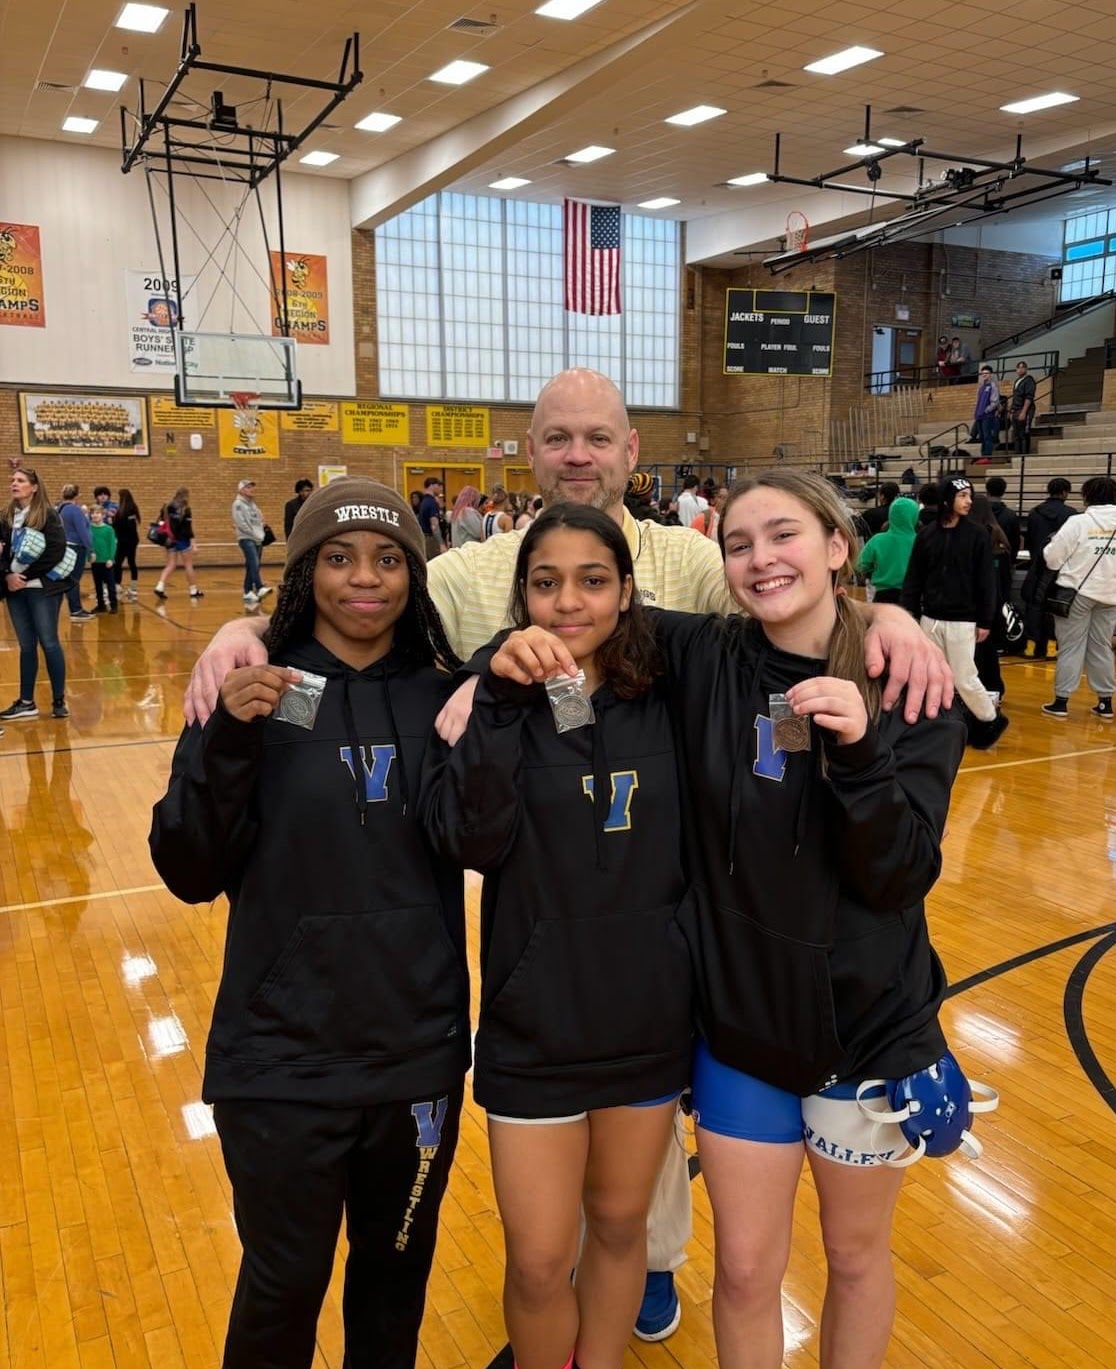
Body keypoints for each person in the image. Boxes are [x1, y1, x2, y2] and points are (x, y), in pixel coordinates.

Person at [177, 366, 953, 1344]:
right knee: (370, 1268)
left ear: (632, 452)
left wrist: (883, 618)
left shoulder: (697, 563)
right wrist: (249, 628)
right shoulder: (467, 572)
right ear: (530, 452)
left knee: (651, 1230)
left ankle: (638, 1289)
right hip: (517, 1002)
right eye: (558, 438)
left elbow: (787, 607)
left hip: (674, 995)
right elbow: (363, 594)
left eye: (599, 436)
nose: (579, 454)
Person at [485, 470, 972, 1369]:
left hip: (864, 1031)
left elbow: (902, 874)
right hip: (743, 1031)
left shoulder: (905, 685)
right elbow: (570, 618)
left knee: (856, 1256)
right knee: (746, 1270)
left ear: (835, 547)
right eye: (739, 543)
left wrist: (865, 734)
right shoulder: (705, 654)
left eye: (783, 535)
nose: (760, 558)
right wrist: (481, 675)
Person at [149, 478, 469, 1369]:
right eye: (337, 558)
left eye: (387, 559)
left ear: (414, 574)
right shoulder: (248, 685)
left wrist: (493, 701)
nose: (363, 579)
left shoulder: (443, 697)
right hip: (279, 1059)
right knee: (282, 1288)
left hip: (415, 1056)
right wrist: (228, 745)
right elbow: (186, 868)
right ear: (303, 572)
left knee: (392, 1289)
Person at [421, 503, 692, 1369]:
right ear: (521, 595)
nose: (567, 601)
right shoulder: (494, 693)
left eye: (591, 579)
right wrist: (497, 697)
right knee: (540, 1260)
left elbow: (788, 630)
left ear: (625, 591)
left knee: (618, 1228)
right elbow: (470, 839)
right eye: (545, 582)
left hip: (646, 1021)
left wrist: (883, 619)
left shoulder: (674, 684)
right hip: (533, 1021)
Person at [903, 477, 1009, 748]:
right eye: (963, 496)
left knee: (964, 677)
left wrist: (986, 619)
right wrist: (909, 613)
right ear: (948, 500)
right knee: (930, 674)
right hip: (931, 618)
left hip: (964, 620)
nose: (969, 501)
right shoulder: (927, 535)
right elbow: (914, 577)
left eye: (970, 496)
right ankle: (938, 724)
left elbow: (987, 581)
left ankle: (990, 719)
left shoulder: (977, 535)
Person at [1040, 475, 1116, 721]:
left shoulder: (1078, 522)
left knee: (1071, 646)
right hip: (1112, 594)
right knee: (1101, 647)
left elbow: (1053, 559)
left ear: (1087, 496)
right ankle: (1105, 702)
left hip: (1078, 593)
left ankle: (1061, 701)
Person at [1, 466, 72, 722]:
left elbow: (56, 551)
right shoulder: (6, 516)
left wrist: (25, 577)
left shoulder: (48, 515)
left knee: (49, 642)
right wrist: (7, 576)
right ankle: (26, 702)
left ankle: (58, 700)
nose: (14, 484)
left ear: (34, 487)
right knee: (26, 646)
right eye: (12, 480)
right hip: (14, 591)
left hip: (42, 591)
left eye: (20, 480)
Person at [967, 494, 1013, 702]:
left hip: (975, 603)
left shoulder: (974, 537)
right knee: (989, 649)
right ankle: (995, 688)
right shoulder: (999, 537)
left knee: (974, 651)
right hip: (996, 601)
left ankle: (978, 691)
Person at [1022, 478, 1075, 658]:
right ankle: (1052, 647)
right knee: (1055, 608)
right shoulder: (1072, 515)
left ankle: (1031, 646)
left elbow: (1028, 540)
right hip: (1061, 568)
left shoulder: (1035, 513)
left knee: (1034, 605)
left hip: (1037, 566)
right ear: (1065, 493)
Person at [857, 495, 918, 605]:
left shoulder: (878, 540)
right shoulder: (920, 540)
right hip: (911, 595)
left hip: (883, 594)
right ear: (915, 515)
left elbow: (861, 565)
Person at [153, 486, 203, 601]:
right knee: (188, 565)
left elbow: (161, 522)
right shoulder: (186, 509)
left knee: (170, 564)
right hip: (182, 540)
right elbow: (188, 529)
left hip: (170, 540)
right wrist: (193, 544)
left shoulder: (167, 506)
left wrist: (164, 535)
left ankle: (160, 586)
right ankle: (193, 590)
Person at [58, 484, 94, 621]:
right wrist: (90, 549)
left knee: (69, 578)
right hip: (76, 547)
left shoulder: (60, 509)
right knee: (73, 579)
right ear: (77, 495)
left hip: (65, 546)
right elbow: (82, 531)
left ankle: (76, 608)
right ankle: (76, 610)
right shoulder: (75, 510)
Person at [233, 478, 271, 607]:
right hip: (246, 537)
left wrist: (261, 529)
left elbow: (259, 519)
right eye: (248, 487)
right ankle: (259, 587)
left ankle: (248, 592)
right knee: (254, 562)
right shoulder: (238, 504)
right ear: (242, 490)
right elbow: (241, 523)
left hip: (257, 538)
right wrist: (252, 533)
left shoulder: (253, 505)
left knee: (252, 564)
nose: (252, 489)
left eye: (252, 487)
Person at [985, 476, 1021, 565]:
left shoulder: (977, 513)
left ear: (987, 491)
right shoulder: (1011, 515)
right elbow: (1015, 542)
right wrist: (1012, 561)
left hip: (980, 560)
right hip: (1002, 561)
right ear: (1003, 492)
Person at [89, 505, 118, 613]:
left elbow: (112, 544)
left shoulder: (108, 529)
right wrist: (89, 555)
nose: (95, 515)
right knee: (97, 585)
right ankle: (101, 605)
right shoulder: (89, 528)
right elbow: (88, 544)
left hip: (107, 562)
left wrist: (111, 558)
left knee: (110, 584)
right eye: (93, 513)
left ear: (103, 515)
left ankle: (113, 605)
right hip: (95, 561)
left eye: (98, 513)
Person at [113, 487, 140, 600]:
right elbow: (134, 525)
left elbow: (117, 527)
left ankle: (117, 585)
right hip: (133, 540)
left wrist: (112, 522)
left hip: (123, 541)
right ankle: (134, 588)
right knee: (132, 563)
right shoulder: (134, 509)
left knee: (117, 563)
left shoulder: (121, 512)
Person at [972, 366, 1001, 459]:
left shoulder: (993, 386)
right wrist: (977, 412)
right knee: (982, 437)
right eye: (983, 373)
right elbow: (979, 401)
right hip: (979, 416)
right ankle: (983, 455)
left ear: (991, 374)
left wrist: (986, 410)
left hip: (987, 416)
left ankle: (988, 456)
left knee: (987, 436)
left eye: (986, 373)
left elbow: (995, 401)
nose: (984, 375)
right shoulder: (982, 387)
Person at [1009, 361, 1037, 455]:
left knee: (1023, 433)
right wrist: (1011, 410)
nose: (1020, 369)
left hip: (1025, 409)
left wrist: (1024, 412)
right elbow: (1015, 397)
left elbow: (1029, 397)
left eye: (1022, 367)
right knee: (1016, 434)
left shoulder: (1029, 380)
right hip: (1016, 409)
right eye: (1018, 368)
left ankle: (1024, 454)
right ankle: (1017, 453)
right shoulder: (1017, 381)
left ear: (1026, 369)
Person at [417, 477, 446, 559]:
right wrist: (441, 544)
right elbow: (434, 525)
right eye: (438, 486)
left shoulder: (424, 501)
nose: (440, 489)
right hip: (432, 539)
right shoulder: (431, 503)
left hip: (424, 538)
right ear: (431, 486)